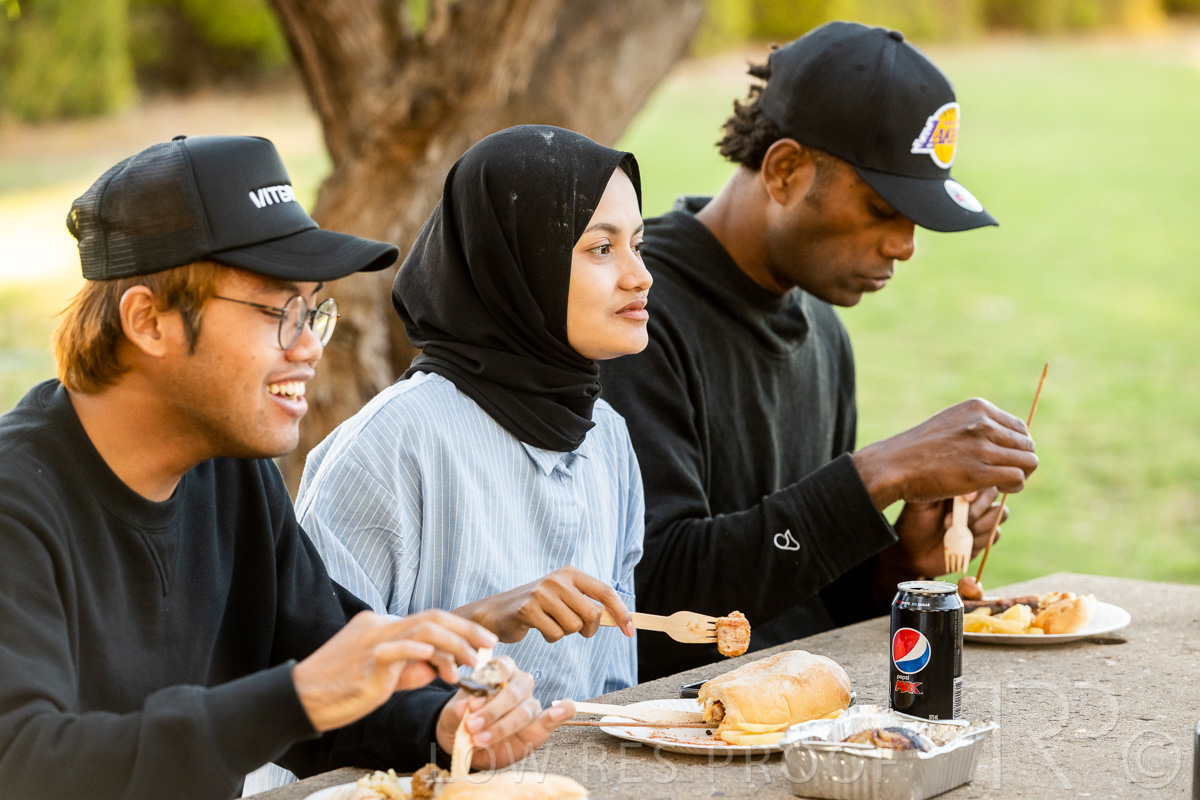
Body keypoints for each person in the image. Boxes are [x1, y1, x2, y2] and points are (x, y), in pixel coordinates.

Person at [0, 135, 572, 800]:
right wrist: (299, 695)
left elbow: (325, 670)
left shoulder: (228, 472)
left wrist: (444, 722)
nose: (308, 348)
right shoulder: (17, 503)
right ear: (149, 321)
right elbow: (24, 760)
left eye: (311, 311)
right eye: (278, 312)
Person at [597, 21, 1041, 681]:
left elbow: (795, 598)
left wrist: (895, 563)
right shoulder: (635, 316)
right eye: (882, 208)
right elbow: (654, 601)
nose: (905, 245)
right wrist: (879, 474)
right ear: (785, 171)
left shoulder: (822, 328)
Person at [296, 125, 650, 705]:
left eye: (638, 243)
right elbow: (318, 685)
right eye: (601, 248)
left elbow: (613, 692)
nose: (640, 276)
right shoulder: (391, 445)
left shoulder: (606, 437)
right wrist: (481, 621)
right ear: (514, 265)